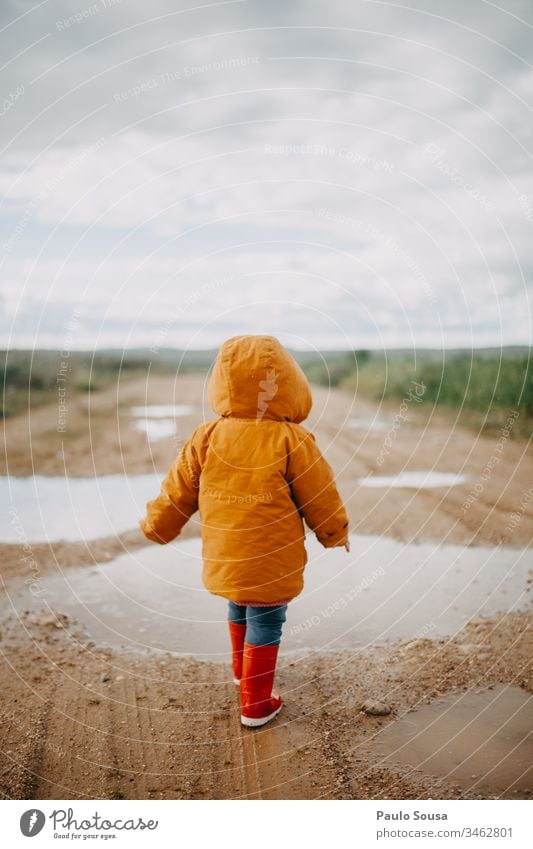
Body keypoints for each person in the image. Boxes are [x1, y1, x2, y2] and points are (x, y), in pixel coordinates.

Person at [140, 335, 349, 727]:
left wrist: (157, 525)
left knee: (238, 602)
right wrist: (334, 533)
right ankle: (255, 703)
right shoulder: (291, 439)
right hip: (272, 556)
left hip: (225, 552)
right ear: (289, 382)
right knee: (267, 619)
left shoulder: (207, 436)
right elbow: (319, 494)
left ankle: (242, 673)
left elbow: (177, 490)